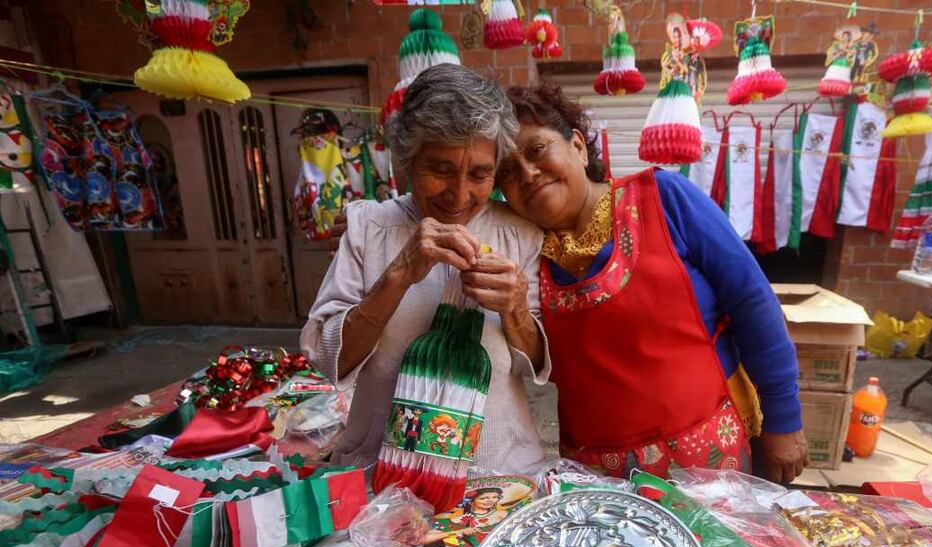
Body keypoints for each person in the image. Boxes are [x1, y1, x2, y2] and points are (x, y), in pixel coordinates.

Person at [496, 83, 809, 484]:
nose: (527, 173)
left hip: (712, 462)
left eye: (537, 149)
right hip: (599, 481)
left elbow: (752, 301)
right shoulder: (523, 254)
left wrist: (783, 418)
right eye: (508, 170)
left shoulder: (664, 199)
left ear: (576, 145)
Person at [301, 64, 549, 475]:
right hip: (381, 471)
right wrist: (397, 276)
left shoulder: (521, 234)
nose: (459, 194)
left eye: (480, 174)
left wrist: (516, 308)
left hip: (498, 473)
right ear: (407, 160)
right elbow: (329, 360)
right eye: (440, 170)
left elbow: (535, 369)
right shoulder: (367, 227)